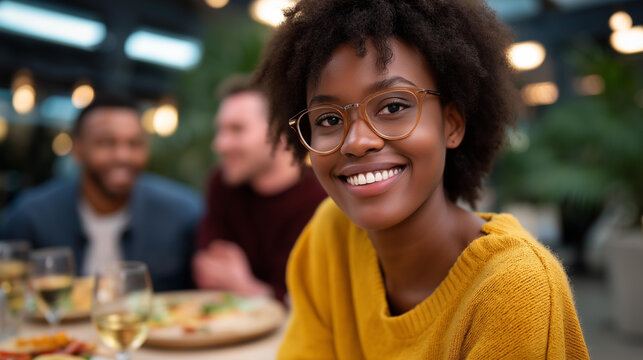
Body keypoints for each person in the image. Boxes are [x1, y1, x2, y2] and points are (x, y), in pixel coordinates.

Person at [254, 0, 590, 358]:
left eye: (393, 107)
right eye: (329, 120)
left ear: (452, 124)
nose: (357, 141)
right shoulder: (331, 236)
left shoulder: (515, 289)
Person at [0, 96, 202, 291]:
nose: (123, 155)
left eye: (134, 143)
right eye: (106, 142)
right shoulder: (31, 216)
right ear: (78, 149)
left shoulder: (184, 213)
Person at [193, 75, 326, 302]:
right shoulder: (222, 184)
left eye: (236, 129)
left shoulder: (321, 200)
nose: (220, 144)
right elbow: (207, 271)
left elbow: (313, 302)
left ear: (281, 134)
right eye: (221, 130)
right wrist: (267, 292)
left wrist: (245, 287)